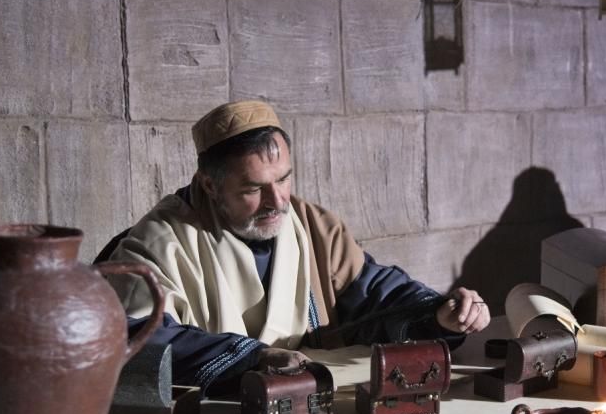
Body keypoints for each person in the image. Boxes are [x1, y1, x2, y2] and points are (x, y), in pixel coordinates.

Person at [104, 100, 490, 393]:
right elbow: (137, 338)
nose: (278, 201)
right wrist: (252, 359)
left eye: (284, 179)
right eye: (254, 189)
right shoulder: (159, 243)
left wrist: (439, 313)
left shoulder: (311, 227)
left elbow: (375, 291)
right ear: (209, 185)